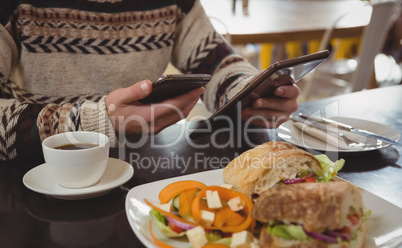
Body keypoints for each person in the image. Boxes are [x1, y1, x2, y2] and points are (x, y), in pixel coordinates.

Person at [0, 0, 300, 161]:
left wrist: (247, 94)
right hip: (34, 178)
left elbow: (219, 63)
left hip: (140, 174)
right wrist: (99, 123)